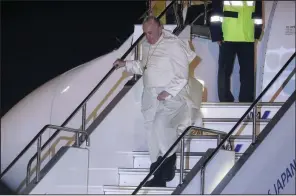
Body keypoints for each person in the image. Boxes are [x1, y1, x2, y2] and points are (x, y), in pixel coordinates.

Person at [113, 16, 203, 187]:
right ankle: (157, 174)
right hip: (150, 95)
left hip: (171, 94)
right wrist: (125, 64)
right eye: (146, 34)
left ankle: (169, 161)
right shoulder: (146, 45)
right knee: (150, 133)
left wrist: (168, 92)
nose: (149, 37)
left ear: (160, 28)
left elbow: (182, 75)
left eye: (151, 33)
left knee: (160, 126)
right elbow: (144, 66)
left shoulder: (173, 44)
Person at [210, 1, 263, 102]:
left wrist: (257, 32)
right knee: (225, 72)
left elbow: (258, 13)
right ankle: (225, 101)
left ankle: (246, 101)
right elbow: (216, 11)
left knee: (247, 73)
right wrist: (216, 33)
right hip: (228, 35)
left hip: (247, 36)